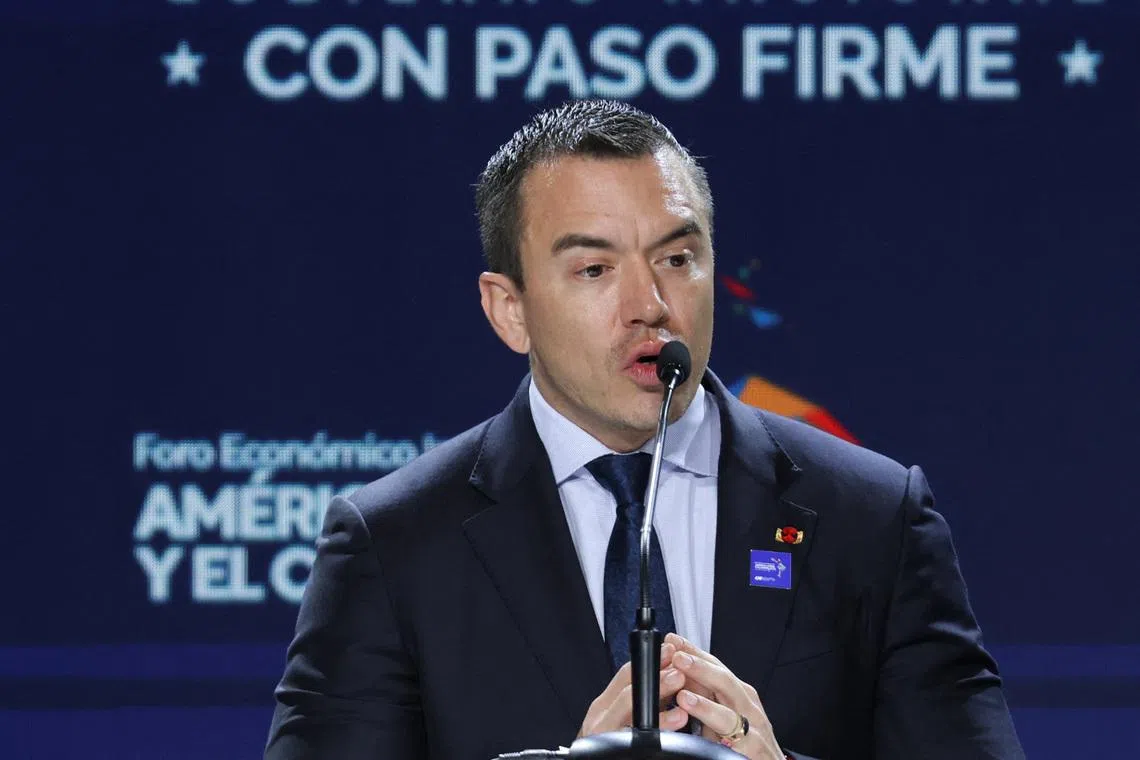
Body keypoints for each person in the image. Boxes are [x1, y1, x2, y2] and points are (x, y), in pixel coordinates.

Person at [265, 100, 1024, 760]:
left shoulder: (873, 518)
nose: (651, 304)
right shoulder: (397, 544)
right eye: (594, 270)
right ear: (510, 309)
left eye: (678, 257)